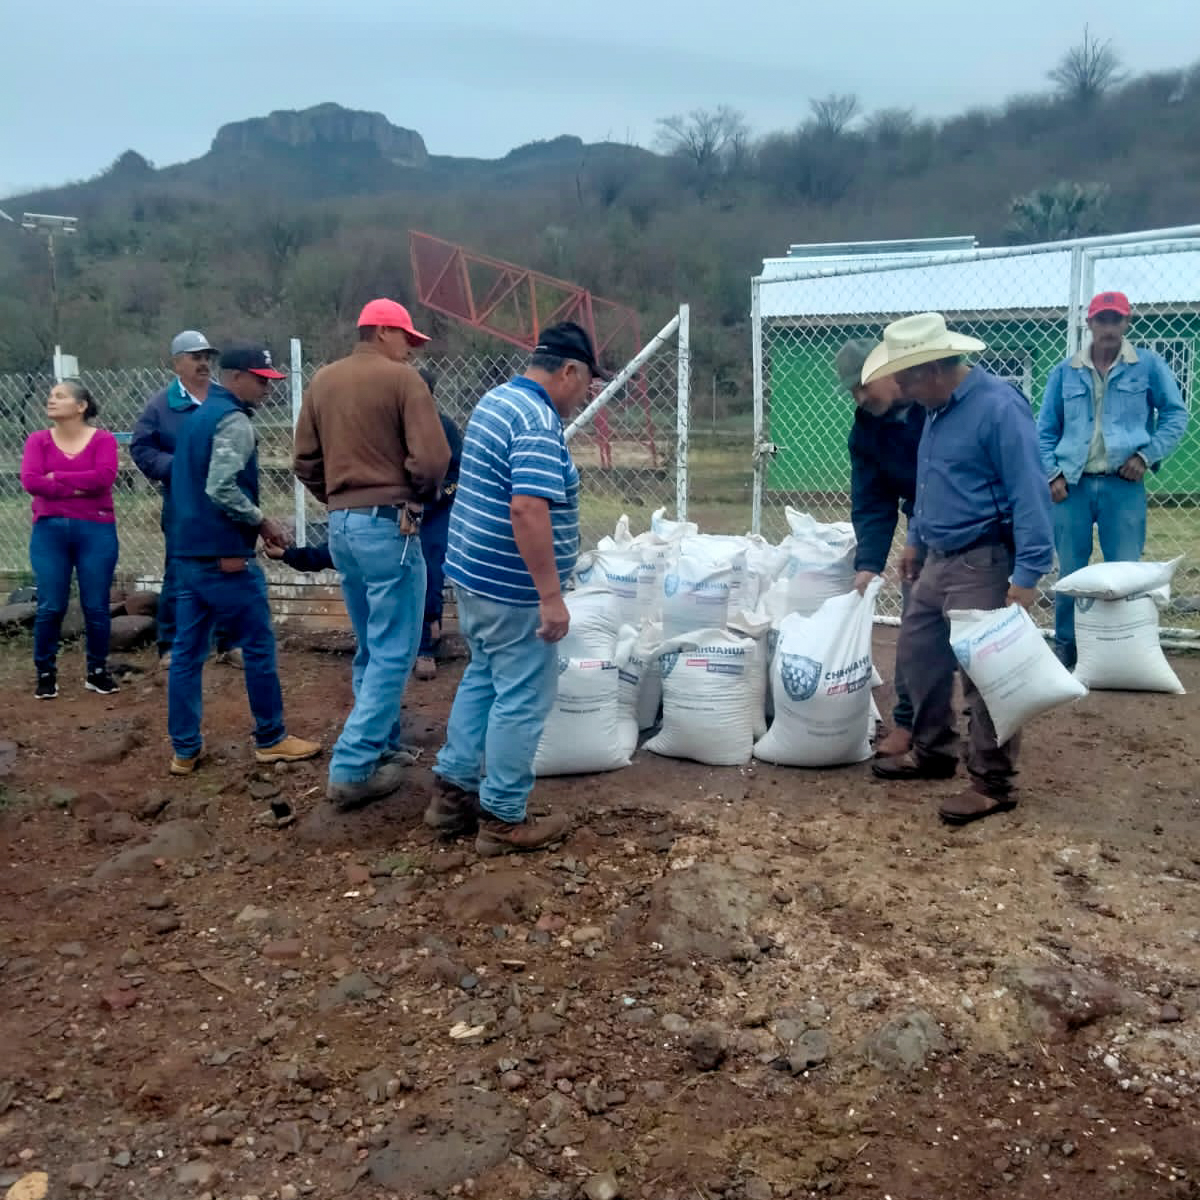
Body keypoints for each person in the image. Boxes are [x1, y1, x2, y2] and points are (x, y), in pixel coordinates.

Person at [864, 313, 1054, 825]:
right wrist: (917, 540)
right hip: (939, 556)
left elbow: (1029, 489)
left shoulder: (998, 407)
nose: (899, 387)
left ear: (933, 368)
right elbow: (932, 481)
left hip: (983, 557)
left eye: (905, 376)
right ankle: (933, 751)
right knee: (919, 653)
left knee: (984, 671)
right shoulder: (935, 411)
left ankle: (993, 781)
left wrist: (1027, 575)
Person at [427, 321, 604, 856]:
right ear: (568, 370)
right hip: (512, 588)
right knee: (524, 698)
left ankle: (451, 795)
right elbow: (527, 508)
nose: (584, 397)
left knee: (484, 677)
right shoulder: (536, 421)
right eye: (586, 385)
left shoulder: (497, 401)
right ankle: (502, 818)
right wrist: (551, 596)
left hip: (473, 574)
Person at [293, 299, 451, 809]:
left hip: (342, 526)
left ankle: (380, 745)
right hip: (391, 528)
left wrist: (339, 499)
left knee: (369, 643)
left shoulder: (322, 381)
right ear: (382, 331)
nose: (409, 348)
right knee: (394, 649)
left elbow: (304, 459)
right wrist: (417, 495)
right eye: (406, 337)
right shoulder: (402, 381)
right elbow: (433, 458)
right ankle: (353, 765)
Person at [167, 343, 321, 775]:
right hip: (226, 558)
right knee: (257, 645)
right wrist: (263, 522)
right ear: (235, 377)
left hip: (187, 553)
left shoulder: (198, 418)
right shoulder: (232, 421)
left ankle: (185, 749)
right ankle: (271, 738)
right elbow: (221, 487)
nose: (267, 389)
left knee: (186, 653)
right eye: (261, 380)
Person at [1036, 290, 1188, 668]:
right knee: (1071, 571)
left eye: (1115, 319)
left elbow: (1175, 415)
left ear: (1126, 322)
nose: (1108, 327)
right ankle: (1068, 647)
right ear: (1089, 324)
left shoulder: (1148, 366)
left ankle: (1123, 650)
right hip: (1071, 485)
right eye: (1101, 319)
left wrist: (1145, 455)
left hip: (1124, 484)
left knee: (1125, 570)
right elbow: (1044, 431)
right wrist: (1052, 474)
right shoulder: (1064, 372)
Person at [130, 330, 242, 670]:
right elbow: (141, 448)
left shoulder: (224, 398)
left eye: (207, 356)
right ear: (177, 363)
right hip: (183, 502)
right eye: (195, 357)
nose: (204, 363)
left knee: (229, 566)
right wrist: (176, 468)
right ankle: (172, 646)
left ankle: (229, 642)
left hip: (225, 499)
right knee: (180, 570)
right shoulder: (161, 406)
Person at [835, 337, 924, 758]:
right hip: (924, 522)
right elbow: (872, 501)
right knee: (917, 626)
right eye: (853, 390)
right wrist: (868, 564)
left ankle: (988, 723)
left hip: (977, 521)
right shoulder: (866, 431)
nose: (859, 397)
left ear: (887, 371)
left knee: (978, 631)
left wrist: (918, 535)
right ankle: (910, 722)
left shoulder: (934, 403)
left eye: (862, 385)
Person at [19, 380, 120, 699]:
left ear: (81, 406)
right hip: (49, 531)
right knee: (51, 605)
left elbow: (104, 478)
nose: (51, 400)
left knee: (96, 606)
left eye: (60, 396)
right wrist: (79, 487)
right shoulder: (38, 441)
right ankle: (46, 673)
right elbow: (31, 482)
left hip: (97, 530)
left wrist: (58, 479)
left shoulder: (103, 440)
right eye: (50, 396)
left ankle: (97, 671)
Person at [413, 366, 463, 682]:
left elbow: (457, 477)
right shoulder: (391, 426)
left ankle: (425, 646)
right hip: (399, 512)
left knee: (431, 572)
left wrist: (434, 498)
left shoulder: (445, 428)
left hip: (436, 512)